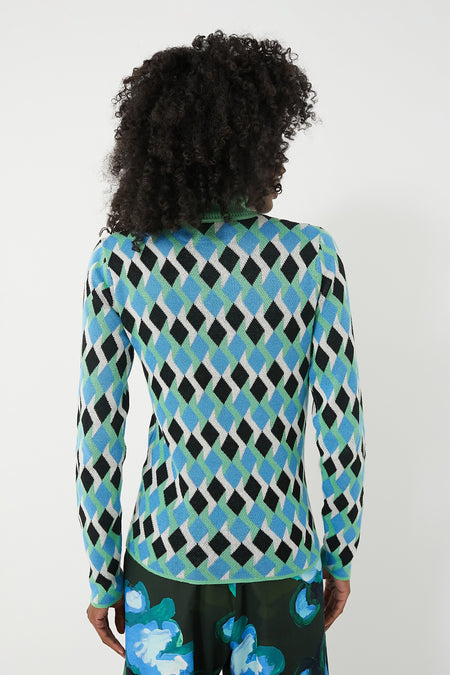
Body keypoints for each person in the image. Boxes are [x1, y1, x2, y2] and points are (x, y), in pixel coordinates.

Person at [75, 29, 366, 675]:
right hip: (282, 557)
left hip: (165, 560)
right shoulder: (310, 256)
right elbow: (340, 424)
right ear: (261, 142)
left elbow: (100, 433)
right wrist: (339, 552)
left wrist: (102, 573)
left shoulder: (121, 263)